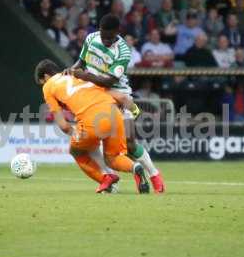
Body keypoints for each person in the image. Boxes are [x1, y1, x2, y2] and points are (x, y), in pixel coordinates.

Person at [66, 14, 165, 193]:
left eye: (110, 38)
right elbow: (81, 61)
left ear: (118, 33)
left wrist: (86, 76)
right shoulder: (91, 38)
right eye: (103, 36)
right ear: (99, 31)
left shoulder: (123, 51)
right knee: (97, 141)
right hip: (94, 94)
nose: (105, 41)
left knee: (129, 143)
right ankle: (110, 182)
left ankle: (154, 175)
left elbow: (109, 81)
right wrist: (72, 70)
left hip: (117, 93)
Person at [35, 59, 148, 194]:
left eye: (42, 82)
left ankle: (106, 178)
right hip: (114, 113)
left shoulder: (48, 87)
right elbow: (121, 97)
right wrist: (134, 110)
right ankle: (135, 166)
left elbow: (64, 126)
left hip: (92, 120)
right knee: (113, 157)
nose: (43, 85)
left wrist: (74, 133)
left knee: (76, 151)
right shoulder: (77, 74)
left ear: (46, 76)